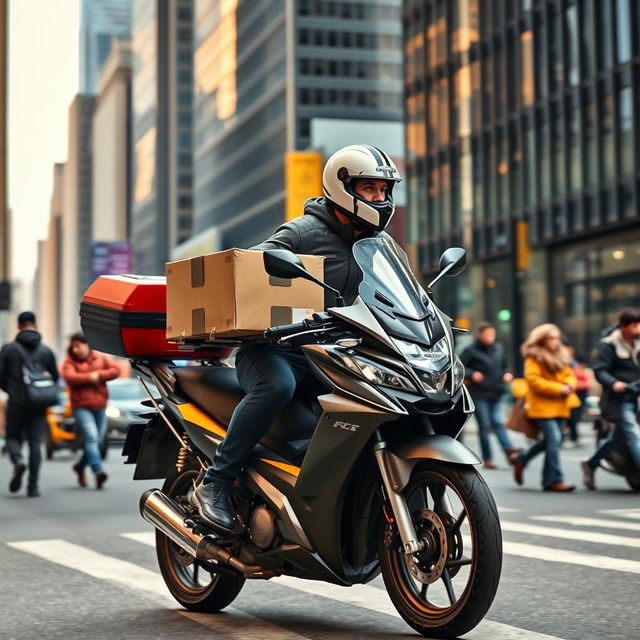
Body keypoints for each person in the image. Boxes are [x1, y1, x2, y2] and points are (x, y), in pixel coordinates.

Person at [193, 144, 403, 531]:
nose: (379, 198)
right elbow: (252, 269)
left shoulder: (377, 246)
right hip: (276, 349)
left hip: (332, 352)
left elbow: (396, 293)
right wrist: (290, 304)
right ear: (344, 188)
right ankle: (215, 483)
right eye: (369, 189)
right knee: (276, 387)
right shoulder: (303, 232)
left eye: (383, 190)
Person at [511, 324, 579, 492]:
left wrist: (570, 385)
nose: (556, 341)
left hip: (561, 405)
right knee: (554, 438)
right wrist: (559, 388)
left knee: (552, 440)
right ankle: (554, 480)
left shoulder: (562, 355)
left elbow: (570, 375)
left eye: (557, 337)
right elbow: (534, 382)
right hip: (541, 407)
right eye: (552, 338)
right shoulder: (533, 357)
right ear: (542, 340)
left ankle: (522, 458)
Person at [0, 311, 59, 497]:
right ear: (36, 325)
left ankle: (18, 461)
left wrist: (11, 390)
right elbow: (55, 377)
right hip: (39, 402)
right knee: (35, 442)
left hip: (17, 401)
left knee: (13, 437)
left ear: (18, 326)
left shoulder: (8, 348)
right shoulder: (46, 351)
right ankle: (33, 486)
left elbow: (0, 376)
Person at [581, 308, 640, 490]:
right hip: (620, 398)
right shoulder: (608, 345)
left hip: (637, 395)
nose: (638, 329)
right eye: (635, 325)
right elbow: (600, 370)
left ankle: (591, 463)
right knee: (633, 433)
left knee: (618, 438)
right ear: (623, 327)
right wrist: (615, 384)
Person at [62, 332, 120, 489]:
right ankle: (98, 471)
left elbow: (116, 370)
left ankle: (80, 467)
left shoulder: (100, 358)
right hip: (81, 407)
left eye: (78, 346)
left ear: (87, 345)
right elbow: (70, 377)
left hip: (100, 405)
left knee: (98, 441)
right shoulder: (69, 361)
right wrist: (90, 377)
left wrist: (99, 375)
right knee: (92, 437)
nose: (75, 350)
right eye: (73, 346)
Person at [460, 322, 521, 469]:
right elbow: (459, 367)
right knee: (484, 425)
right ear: (479, 335)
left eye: (492, 334)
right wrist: (472, 373)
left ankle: (508, 450)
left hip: (497, 392)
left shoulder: (498, 349)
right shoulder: (470, 350)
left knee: (498, 423)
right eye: (487, 334)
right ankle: (488, 458)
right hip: (479, 394)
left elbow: (505, 366)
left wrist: (507, 373)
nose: (490, 337)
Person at [563, 346, 592, 447]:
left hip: (576, 396)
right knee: (570, 419)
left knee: (574, 417)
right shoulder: (564, 363)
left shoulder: (573, 364)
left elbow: (572, 378)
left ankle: (573, 437)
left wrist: (573, 383)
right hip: (566, 395)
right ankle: (570, 436)